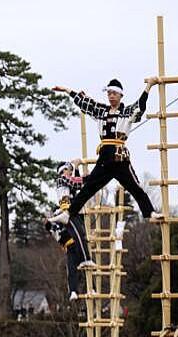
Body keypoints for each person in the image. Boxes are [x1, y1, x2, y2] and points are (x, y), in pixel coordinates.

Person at [50, 78, 161, 225]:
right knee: (89, 187)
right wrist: (66, 90)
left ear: (121, 95)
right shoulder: (101, 111)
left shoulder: (126, 112)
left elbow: (139, 107)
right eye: (109, 93)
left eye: (114, 93)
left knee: (135, 187)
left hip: (120, 157)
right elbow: (85, 103)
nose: (111, 96)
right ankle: (68, 213)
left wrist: (149, 86)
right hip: (105, 157)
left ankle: (150, 212)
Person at [45, 160, 95, 301]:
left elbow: (78, 188)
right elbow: (78, 183)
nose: (70, 172)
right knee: (75, 264)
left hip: (72, 223)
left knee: (78, 264)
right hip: (69, 235)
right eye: (69, 170)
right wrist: (90, 176)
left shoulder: (67, 184)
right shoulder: (63, 179)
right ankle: (74, 289)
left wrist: (79, 171)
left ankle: (85, 288)